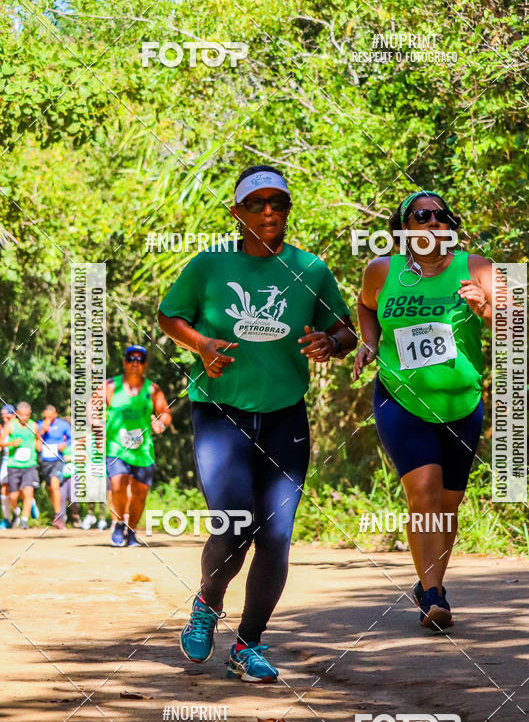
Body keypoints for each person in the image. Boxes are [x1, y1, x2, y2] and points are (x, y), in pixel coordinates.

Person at [158, 164, 357, 683]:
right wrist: (200, 344)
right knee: (233, 522)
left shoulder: (310, 269)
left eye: (279, 203)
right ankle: (208, 601)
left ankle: (248, 645)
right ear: (237, 212)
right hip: (221, 412)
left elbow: (346, 330)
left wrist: (330, 344)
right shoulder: (207, 265)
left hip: (284, 415)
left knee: (276, 534)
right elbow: (168, 315)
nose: (270, 211)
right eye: (258, 203)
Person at [353, 191, 493, 630]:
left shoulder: (478, 267)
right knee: (424, 491)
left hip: (461, 403)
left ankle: (431, 582)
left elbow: (515, 323)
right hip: (400, 399)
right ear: (404, 229)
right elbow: (365, 305)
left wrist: (486, 308)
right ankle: (433, 595)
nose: (434, 222)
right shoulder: (381, 271)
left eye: (441, 216)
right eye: (422, 216)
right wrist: (369, 341)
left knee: (448, 504)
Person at [96, 345, 171, 547]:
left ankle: (131, 530)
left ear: (145, 365)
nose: (135, 363)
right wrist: (96, 423)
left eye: (139, 360)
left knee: (140, 493)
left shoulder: (152, 389)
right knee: (118, 484)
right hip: (115, 447)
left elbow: (165, 412)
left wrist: (161, 423)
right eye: (131, 359)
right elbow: (92, 406)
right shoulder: (110, 386)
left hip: (143, 450)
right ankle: (119, 524)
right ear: (124, 362)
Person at [0, 401, 41, 529]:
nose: (25, 418)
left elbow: (38, 439)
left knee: (28, 491)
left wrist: (39, 447)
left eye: (27, 415)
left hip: (30, 464)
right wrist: (11, 444)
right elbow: (1, 441)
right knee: (13, 495)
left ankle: (24, 520)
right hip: (13, 464)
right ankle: (16, 511)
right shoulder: (10, 426)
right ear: (17, 414)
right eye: (22, 415)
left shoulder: (33, 425)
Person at [37, 405, 71, 529]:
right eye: (47, 416)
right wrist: (42, 431)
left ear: (55, 414)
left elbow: (72, 438)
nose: (49, 418)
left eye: (51, 416)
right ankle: (58, 513)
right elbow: (37, 443)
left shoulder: (63, 425)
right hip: (45, 460)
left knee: (55, 484)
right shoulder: (39, 425)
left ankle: (58, 516)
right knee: (51, 489)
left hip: (58, 459)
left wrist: (65, 445)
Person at [0, 404, 16, 529]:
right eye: (2, 416)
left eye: (8, 416)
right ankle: (7, 519)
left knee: (22, 489)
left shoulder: (21, 426)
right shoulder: (1, 429)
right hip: (7, 460)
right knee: (4, 487)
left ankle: (31, 503)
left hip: (23, 463)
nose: (5, 419)